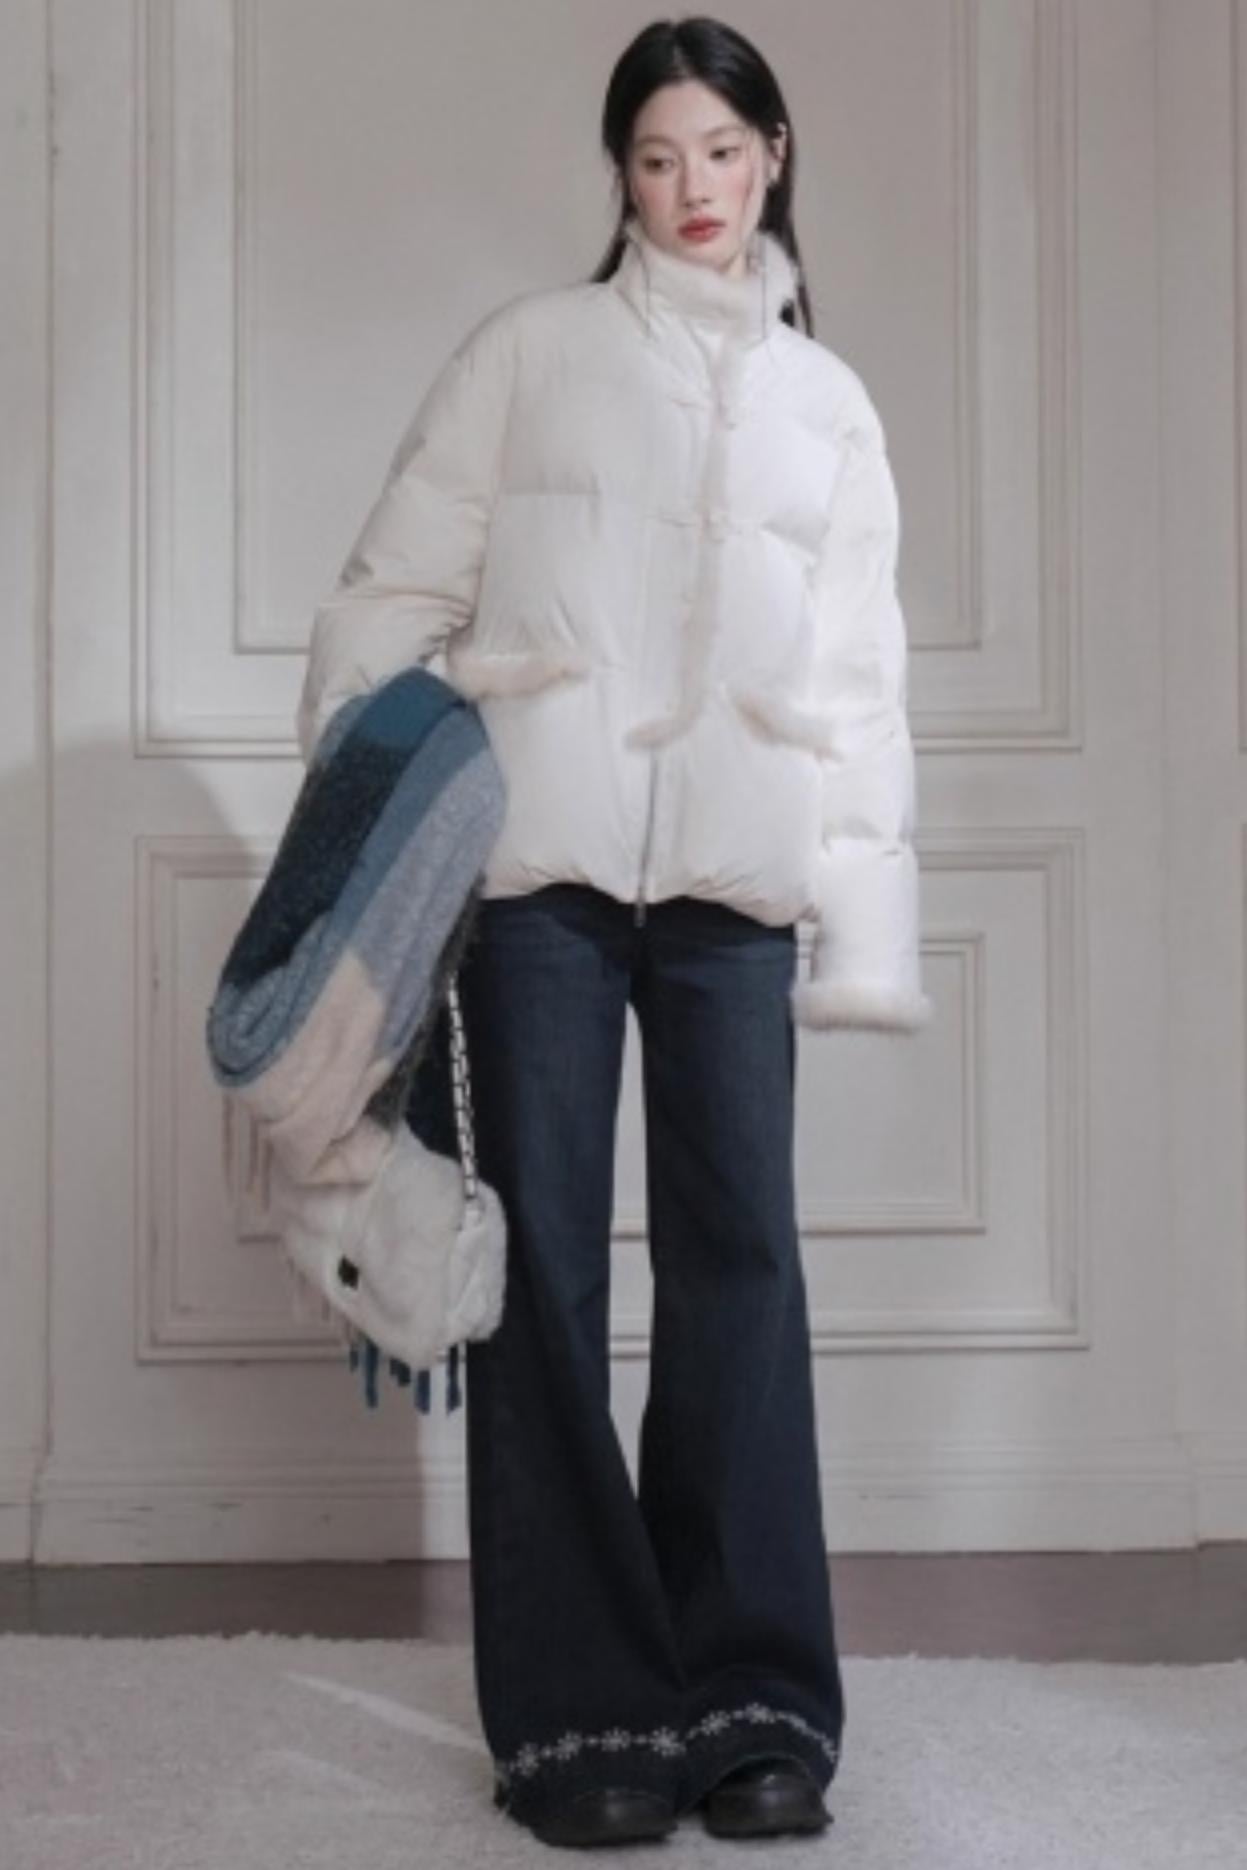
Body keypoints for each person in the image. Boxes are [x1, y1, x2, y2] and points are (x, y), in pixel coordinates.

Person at [295, 12, 931, 1851]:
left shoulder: (829, 407)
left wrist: (861, 924)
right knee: (548, 1279)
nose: (692, 190)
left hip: (733, 891)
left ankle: (754, 1698)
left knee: (743, 1268)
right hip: (541, 889)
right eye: (656, 160)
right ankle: (581, 1711)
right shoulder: (533, 354)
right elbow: (388, 594)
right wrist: (368, 826)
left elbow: (862, 689)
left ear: (775, 154)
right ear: (621, 178)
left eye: (720, 153)